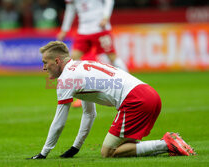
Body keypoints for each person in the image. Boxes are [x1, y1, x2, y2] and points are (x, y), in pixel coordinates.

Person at [29, 41, 196, 159]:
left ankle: (167, 143)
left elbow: (59, 122)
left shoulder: (67, 79)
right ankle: (171, 146)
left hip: (135, 101)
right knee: (125, 150)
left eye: (45, 62)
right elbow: (89, 113)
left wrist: (44, 153)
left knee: (108, 152)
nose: (44, 67)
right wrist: (75, 147)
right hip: (149, 93)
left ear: (57, 61)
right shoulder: (80, 66)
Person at [58, 0, 128, 107]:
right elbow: (70, 10)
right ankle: (81, 94)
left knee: (111, 56)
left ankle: (129, 85)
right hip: (83, 30)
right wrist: (64, 29)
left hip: (100, 28)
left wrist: (106, 17)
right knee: (74, 59)